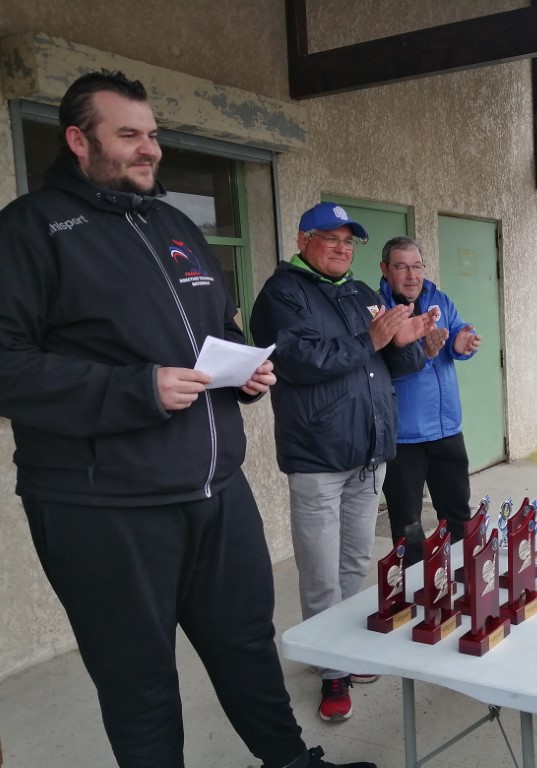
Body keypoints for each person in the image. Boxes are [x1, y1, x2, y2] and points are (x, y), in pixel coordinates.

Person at [0, 71, 371, 768]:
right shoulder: (31, 230)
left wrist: (246, 375)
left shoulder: (174, 226)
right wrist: (135, 388)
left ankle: (292, 763)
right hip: (103, 505)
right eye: (129, 135)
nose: (150, 150)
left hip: (214, 491)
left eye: (154, 135)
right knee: (138, 680)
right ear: (79, 141)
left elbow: (216, 329)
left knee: (247, 645)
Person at [249, 204, 431, 724]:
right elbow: (300, 363)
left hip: (368, 450)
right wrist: (372, 339)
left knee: (355, 562)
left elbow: (391, 363)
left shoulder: (362, 293)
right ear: (304, 239)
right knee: (321, 571)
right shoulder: (283, 293)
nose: (342, 249)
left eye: (349, 242)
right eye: (330, 239)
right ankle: (331, 670)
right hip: (317, 455)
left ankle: (347, 648)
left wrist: (411, 344)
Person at [377, 236, 481, 564]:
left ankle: (464, 588)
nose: (412, 275)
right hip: (402, 437)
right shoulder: (376, 308)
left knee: (459, 517)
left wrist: (461, 343)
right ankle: (416, 596)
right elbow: (379, 364)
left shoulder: (440, 299)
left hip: (447, 429)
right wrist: (421, 349)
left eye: (417, 266)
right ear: (385, 270)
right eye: (402, 267)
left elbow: (457, 333)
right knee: (407, 527)